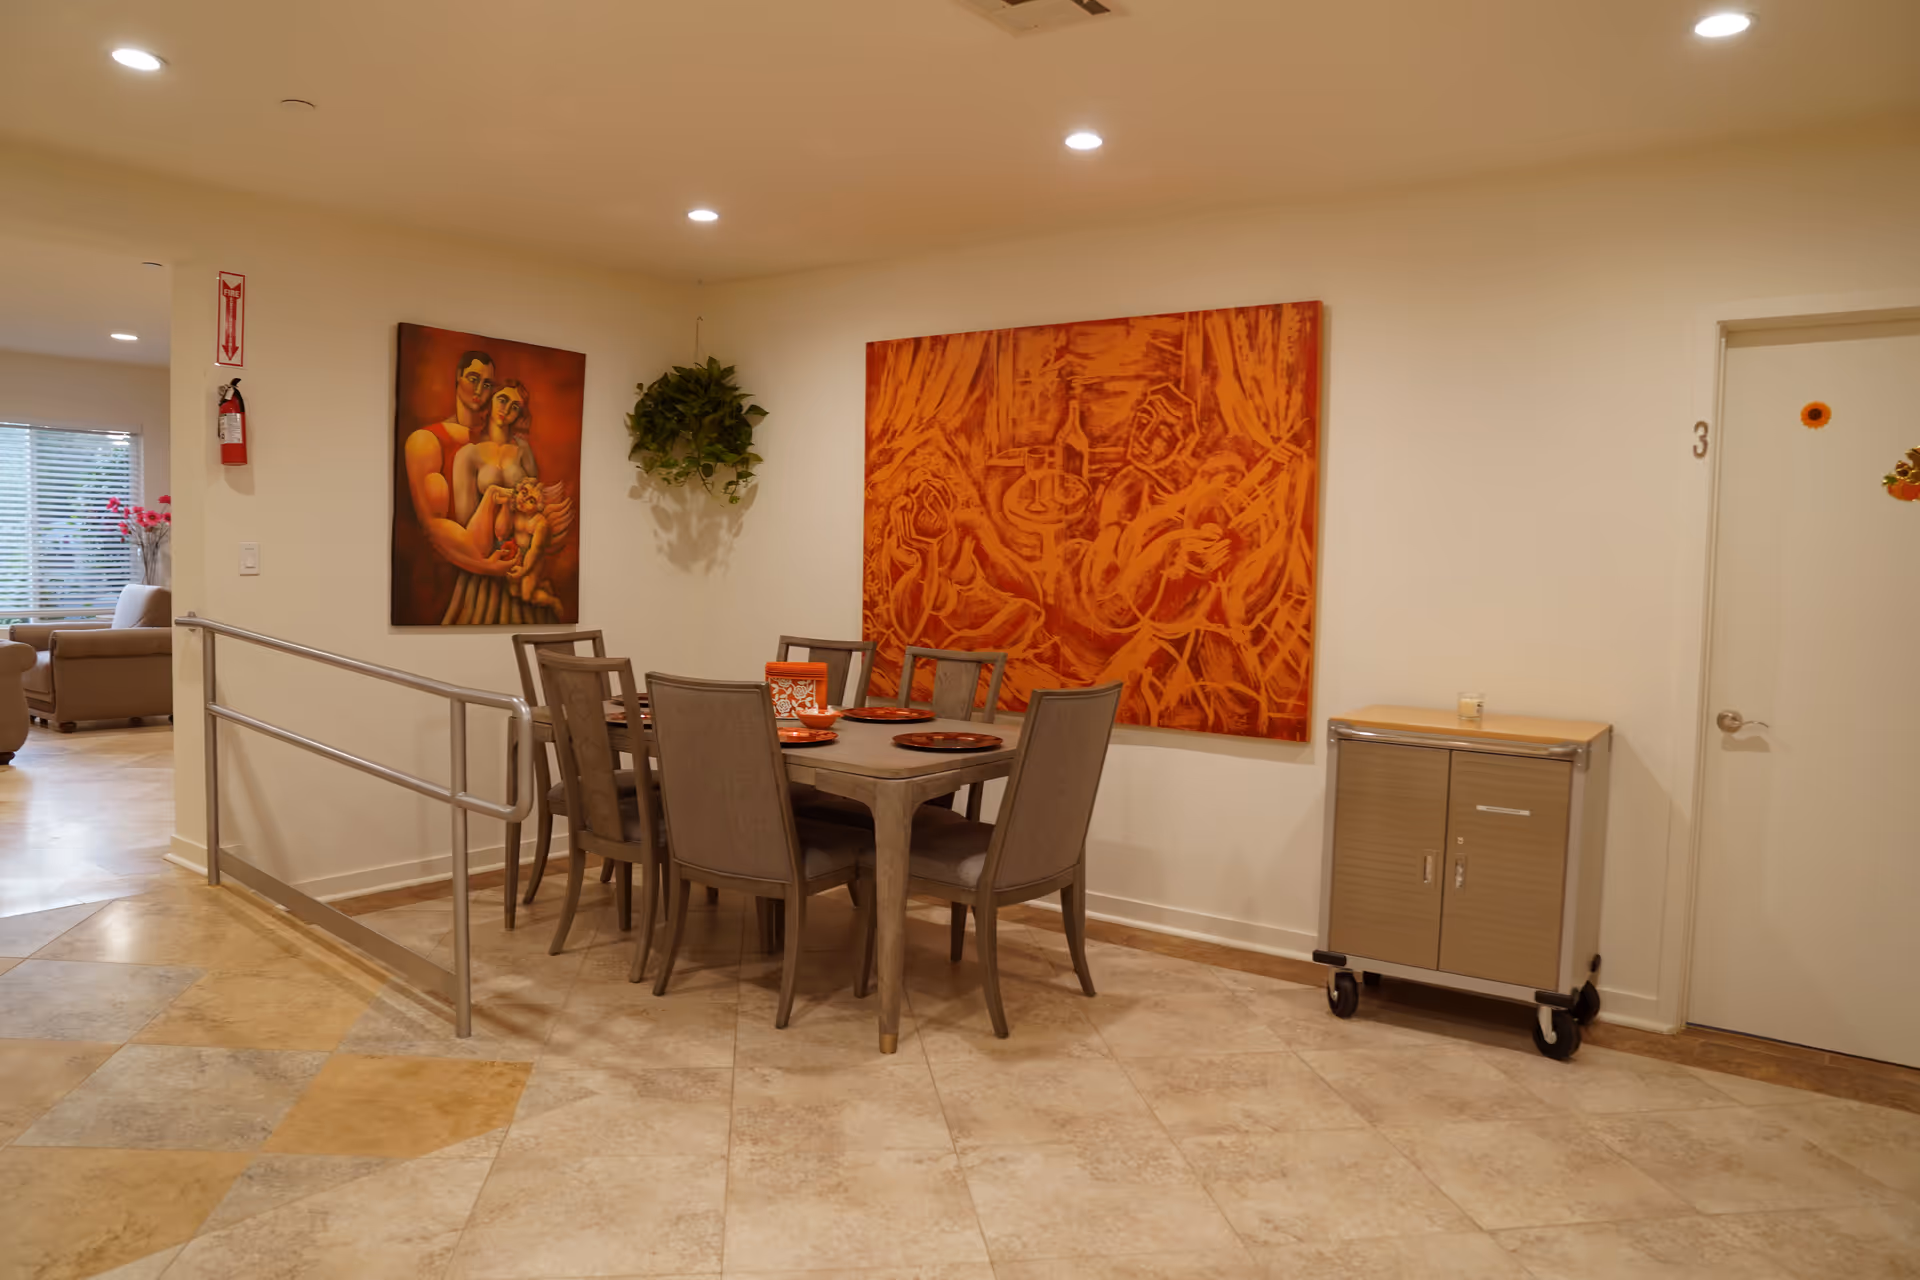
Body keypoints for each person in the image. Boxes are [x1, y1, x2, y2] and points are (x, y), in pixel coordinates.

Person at [403, 349, 517, 578]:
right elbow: (433, 527)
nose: (478, 391)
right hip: (451, 579)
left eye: (486, 385)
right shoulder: (426, 441)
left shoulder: (508, 444)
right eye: (473, 379)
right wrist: (486, 567)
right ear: (458, 376)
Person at [451, 379, 540, 526]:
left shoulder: (523, 449)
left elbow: (535, 500)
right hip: (480, 536)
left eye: (515, 407)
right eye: (503, 400)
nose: (507, 410)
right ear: (491, 399)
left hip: (521, 535)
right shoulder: (468, 454)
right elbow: (464, 520)